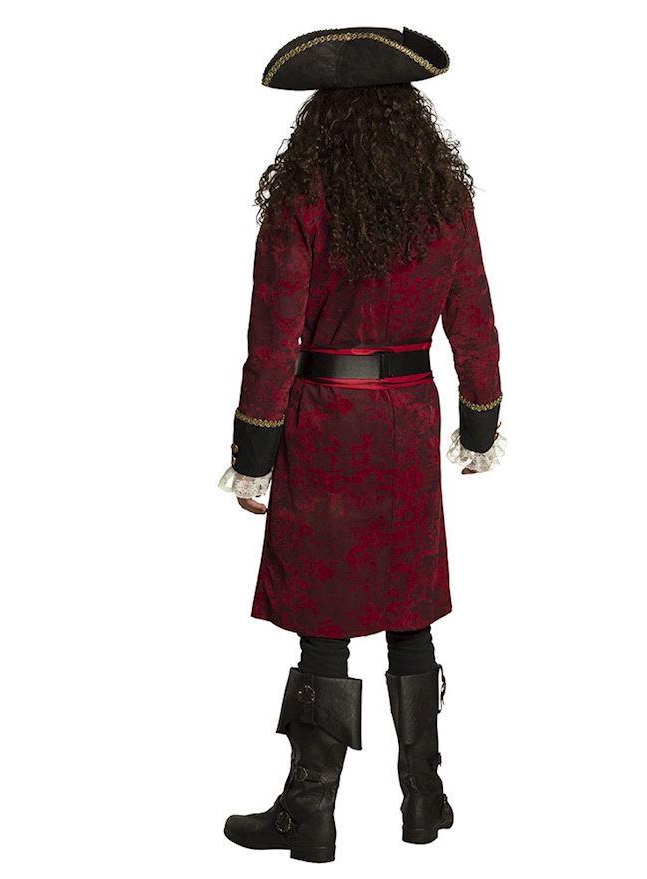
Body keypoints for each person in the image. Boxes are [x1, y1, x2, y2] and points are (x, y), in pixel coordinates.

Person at [218, 26, 507, 863]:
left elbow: (273, 334)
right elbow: (474, 315)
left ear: (323, 119)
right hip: (407, 419)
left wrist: (253, 454)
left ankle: (308, 812)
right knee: (408, 607)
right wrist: (480, 423)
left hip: (327, 422)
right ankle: (424, 799)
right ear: (409, 118)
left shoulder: (305, 193)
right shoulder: (440, 197)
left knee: (326, 616)